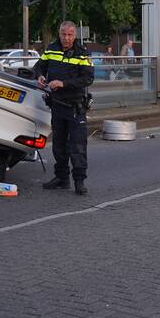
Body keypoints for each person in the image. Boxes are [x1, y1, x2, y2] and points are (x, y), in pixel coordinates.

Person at [34, 21, 94, 195]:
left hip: (75, 107)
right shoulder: (51, 49)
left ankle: (79, 181)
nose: (66, 38)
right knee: (58, 146)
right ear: (59, 34)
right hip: (57, 105)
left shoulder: (82, 53)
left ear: (74, 35)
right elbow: (39, 66)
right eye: (63, 34)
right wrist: (40, 76)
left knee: (77, 146)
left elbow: (88, 79)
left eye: (69, 35)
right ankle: (61, 178)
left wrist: (63, 83)